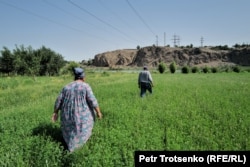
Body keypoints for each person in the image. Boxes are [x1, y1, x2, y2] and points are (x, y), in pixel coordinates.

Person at [51, 67, 102, 152]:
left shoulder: (66, 87)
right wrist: (98, 112)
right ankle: (78, 150)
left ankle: (70, 147)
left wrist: (55, 112)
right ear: (83, 77)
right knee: (82, 130)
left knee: (70, 131)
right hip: (82, 116)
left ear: (74, 77)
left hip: (67, 115)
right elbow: (93, 101)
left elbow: (58, 101)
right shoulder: (85, 86)